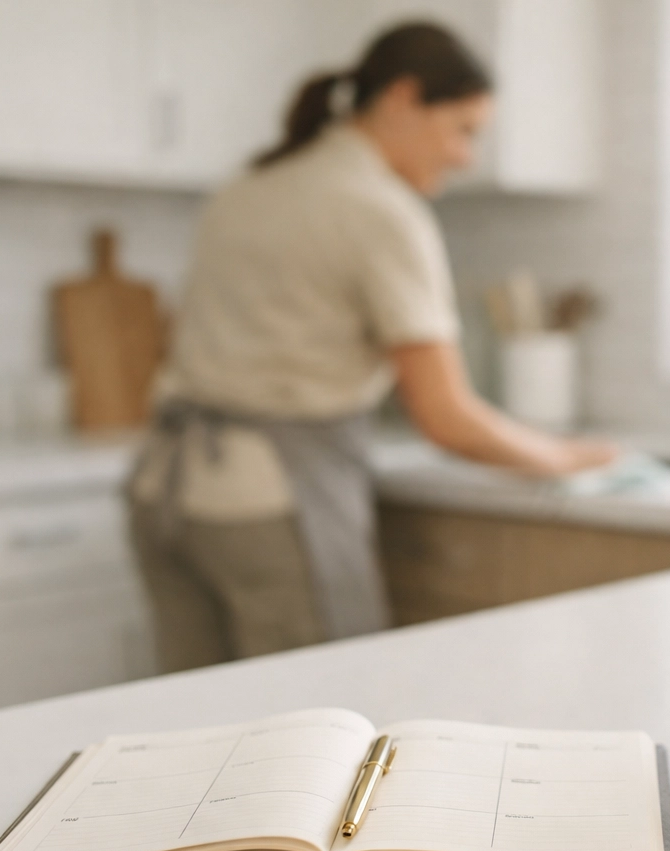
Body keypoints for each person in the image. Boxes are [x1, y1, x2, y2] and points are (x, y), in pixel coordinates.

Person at [129, 22, 616, 672]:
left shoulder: (246, 187)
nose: (467, 156)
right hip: (268, 502)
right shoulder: (380, 211)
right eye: (463, 129)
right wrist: (563, 456)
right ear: (402, 98)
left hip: (162, 491)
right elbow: (445, 417)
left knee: (192, 726)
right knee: (311, 723)